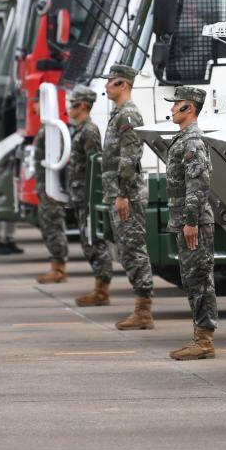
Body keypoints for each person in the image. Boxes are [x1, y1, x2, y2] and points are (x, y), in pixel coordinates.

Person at [163, 86, 217, 360]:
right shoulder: (183, 138)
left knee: (199, 278)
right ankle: (200, 335)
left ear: (190, 108)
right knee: (192, 277)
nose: (172, 108)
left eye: (177, 104)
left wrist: (191, 220)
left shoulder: (192, 141)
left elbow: (199, 184)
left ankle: (204, 340)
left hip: (192, 221)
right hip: (184, 218)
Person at [100, 63, 154, 330]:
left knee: (133, 250)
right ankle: (141, 308)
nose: (106, 86)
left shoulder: (128, 115)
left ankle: (143, 311)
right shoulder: (119, 113)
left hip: (127, 195)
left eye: (110, 81)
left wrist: (122, 194)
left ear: (123, 84)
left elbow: (130, 159)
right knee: (127, 249)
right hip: (119, 193)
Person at [70, 87, 112, 306]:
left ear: (83, 106)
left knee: (94, 241)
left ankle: (102, 289)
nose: (70, 108)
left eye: (73, 104)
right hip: (79, 194)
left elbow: (95, 164)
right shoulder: (80, 129)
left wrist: (92, 195)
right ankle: (99, 287)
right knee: (87, 242)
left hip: (87, 195)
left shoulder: (89, 130)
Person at [34, 122, 69, 282]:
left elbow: (58, 159)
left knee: (53, 224)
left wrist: (55, 187)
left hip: (51, 186)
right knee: (47, 224)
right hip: (44, 185)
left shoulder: (52, 129)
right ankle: (56, 266)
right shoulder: (46, 127)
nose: (35, 107)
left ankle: (59, 268)